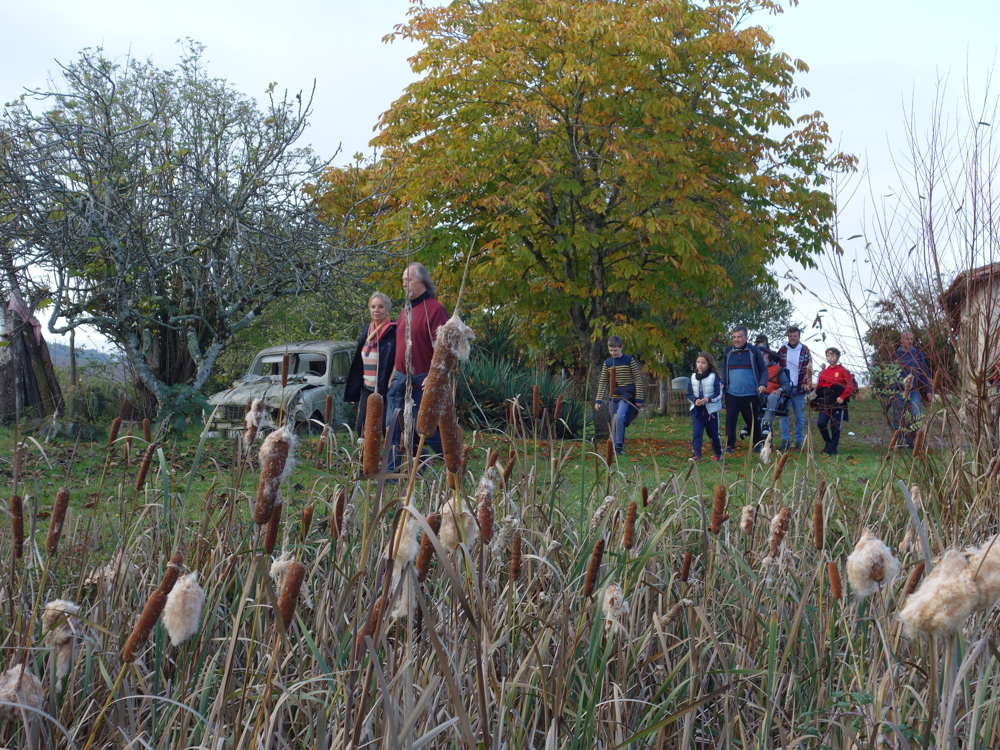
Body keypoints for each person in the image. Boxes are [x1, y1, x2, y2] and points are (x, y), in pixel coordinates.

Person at [385, 263, 449, 472]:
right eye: (403, 280)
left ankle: (453, 464)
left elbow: (443, 347)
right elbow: (400, 346)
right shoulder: (405, 310)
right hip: (400, 378)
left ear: (422, 281)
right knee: (394, 427)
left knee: (427, 429)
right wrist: (393, 375)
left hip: (423, 379)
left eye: (408, 279)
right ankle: (393, 474)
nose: (404, 284)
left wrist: (434, 376)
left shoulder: (436, 309)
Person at [345, 292, 397, 436]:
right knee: (362, 427)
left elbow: (398, 359)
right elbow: (358, 362)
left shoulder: (394, 331)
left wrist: (392, 380)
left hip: (386, 388)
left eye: (381, 307)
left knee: (386, 428)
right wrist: (354, 390)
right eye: (373, 307)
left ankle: (391, 450)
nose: (376, 310)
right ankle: (364, 451)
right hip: (367, 388)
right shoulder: (366, 331)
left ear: (388, 310)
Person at [720, 326, 768, 453]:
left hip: (750, 394)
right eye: (734, 337)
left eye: (739, 337)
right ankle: (729, 446)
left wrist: (762, 384)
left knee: (752, 421)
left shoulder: (754, 351)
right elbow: (724, 369)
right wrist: (723, 382)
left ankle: (757, 444)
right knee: (730, 421)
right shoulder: (728, 352)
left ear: (746, 338)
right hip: (732, 394)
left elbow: (764, 370)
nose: (736, 340)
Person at [594, 336, 645, 456]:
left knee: (620, 418)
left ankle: (619, 446)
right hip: (613, 396)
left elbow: (638, 379)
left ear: (621, 347)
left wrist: (639, 398)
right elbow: (603, 382)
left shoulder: (629, 360)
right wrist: (598, 400)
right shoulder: (607, 363)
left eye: (615, 350)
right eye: (611, 350)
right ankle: (613, 444)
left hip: (626, 395)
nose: (613, 353)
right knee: (612, 421)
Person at [893, 330, 933, 445]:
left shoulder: (918, 355)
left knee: (916, 416)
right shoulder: (895, 355)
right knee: (898, 417)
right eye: (907, 339)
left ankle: (913, 442)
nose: (910, 341)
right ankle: (900, 442)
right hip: (899, 391)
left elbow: (925, 372)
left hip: (914, 391)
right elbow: (890, 374)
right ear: (901, 340)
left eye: (911, 339)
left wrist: (929, 390)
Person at [776, 326, 812, 451]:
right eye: (790, 336)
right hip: (785, 387)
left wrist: (806, 382)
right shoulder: (782, 350)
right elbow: (777, 368)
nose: (792, 338)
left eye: (795, 336)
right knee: (783, 415)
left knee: (799, 416)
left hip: (799, 388)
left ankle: (799, 441)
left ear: (799, 337)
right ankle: (785, 440)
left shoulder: (805, 350)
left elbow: (809, 369)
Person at [813, 347, 854, 455]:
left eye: (833, 355)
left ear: (838, 357)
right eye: (828, 356)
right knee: (821, 423)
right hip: (825, 401)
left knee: (835, 426)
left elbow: (850, 386)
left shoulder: (843, 371)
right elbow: (821, 384)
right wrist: (816, 386)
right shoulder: (825, 372)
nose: (830, 358)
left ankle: (833, 450)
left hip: (838, 401)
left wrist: (843, 397)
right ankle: (828, 442)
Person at [686, 352, 723, 461]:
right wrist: (695, 400)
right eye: (698, 362)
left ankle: (718, 453)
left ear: (709, 364)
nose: (700, 365)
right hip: (697, 411)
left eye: (703, 362)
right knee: (697, 433)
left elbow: (719, 394)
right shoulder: (693, 377)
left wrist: (707, 399)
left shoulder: (714, 376)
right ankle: (696, 455)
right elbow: (689, 393)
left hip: (711, 411)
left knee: (713, 434)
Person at [760, 357, 792, 437]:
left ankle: (766, 423)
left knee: (773, 397)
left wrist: (780, 390)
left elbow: (787, 385)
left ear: (766, 355)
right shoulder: (757, 368)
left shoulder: (778, 369)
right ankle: (750, 423)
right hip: (761, 394)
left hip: (774, 395)